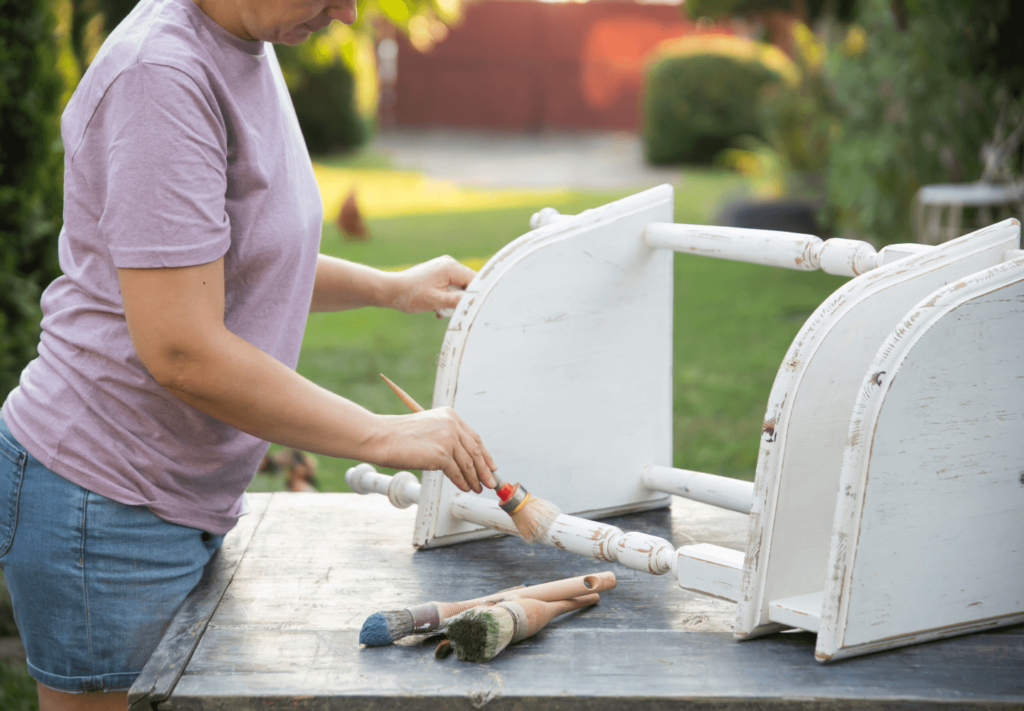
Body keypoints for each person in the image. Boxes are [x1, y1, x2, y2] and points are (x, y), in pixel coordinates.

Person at [0, 0, 497, 708]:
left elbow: (235, 259)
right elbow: (182, 350)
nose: (348, 11)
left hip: (173, 491)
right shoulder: (159, 76)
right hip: (104, 495)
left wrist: (391, 287)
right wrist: (382, 433)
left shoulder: (243, 42)